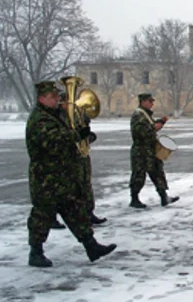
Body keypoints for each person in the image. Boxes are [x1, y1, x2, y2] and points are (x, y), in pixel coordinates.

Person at [26, 81, 116, 267]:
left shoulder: (57, 115)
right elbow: (54, 142)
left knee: (76, 212)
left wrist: (84, 131)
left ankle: (91, 246)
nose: (58, 99)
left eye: (58, 96)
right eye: (53, 97)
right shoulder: (39, 119)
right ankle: (35, 252)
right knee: (41, 216)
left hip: (63, 176)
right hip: (46, 178)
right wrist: (78, 135)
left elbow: (71, 130)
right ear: (42, 98)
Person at [59, 91, 107, 225]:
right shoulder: (58, 119)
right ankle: (53, 218)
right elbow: (64, 139)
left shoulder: (75, 116)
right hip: (68, 159)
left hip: (81, 157)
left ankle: (88, 212)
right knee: (68, 191)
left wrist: (87, 134)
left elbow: (82, 135)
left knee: (85, 186)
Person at [129, 93, 179, 208]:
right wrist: (154, 127)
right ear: (143, 102)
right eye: (149, 101)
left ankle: (164, 197)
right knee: (138, 175)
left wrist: (160, 122)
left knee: (157, 173)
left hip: (150, 150)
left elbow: (150, 127)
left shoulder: (146, 115)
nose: (152, 104)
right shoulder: (138, 115)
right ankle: (134, 199)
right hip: (141, 151)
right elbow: (140, 131)